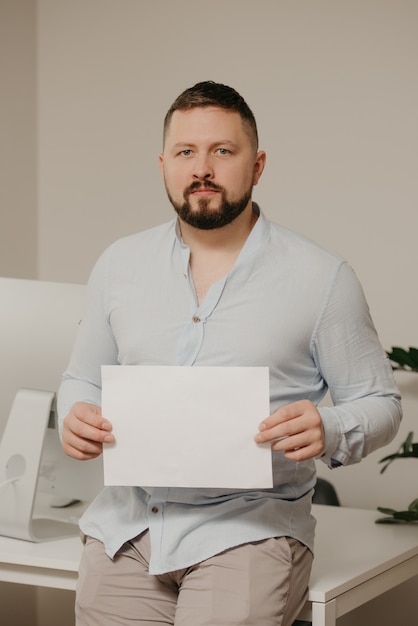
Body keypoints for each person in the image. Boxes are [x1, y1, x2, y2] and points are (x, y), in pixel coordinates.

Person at [58, 81, 402, 626]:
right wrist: (74, 415)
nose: (203, 168)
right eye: (185, 152)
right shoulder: (118, 266)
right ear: (164, 163)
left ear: (257, 164)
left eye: (223, 150)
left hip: (249, 531)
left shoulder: (321, 277)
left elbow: (381, 403)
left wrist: (329, 427)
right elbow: (80, 381)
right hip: (126, 528)